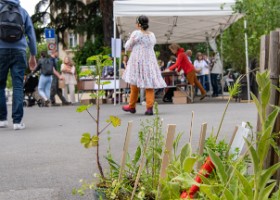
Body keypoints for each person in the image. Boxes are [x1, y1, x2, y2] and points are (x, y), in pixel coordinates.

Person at [0, 0, 37, 130]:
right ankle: (17, 122)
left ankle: (2, 120)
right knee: (17, 85)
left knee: (0, 85)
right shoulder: (23, 12)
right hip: (19, 51)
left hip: (1, 50)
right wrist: (33, 55)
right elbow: (31, 34)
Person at [122, 15, 166, 115]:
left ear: (138, 24)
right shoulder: (152, 35)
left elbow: (127, 46)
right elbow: (152, 44)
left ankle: (132, 106)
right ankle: (149, 108)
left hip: (137, 60)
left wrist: (130, 40)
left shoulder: (136, 33)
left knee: (134, 83)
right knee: (149, 84)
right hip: (149, 61)